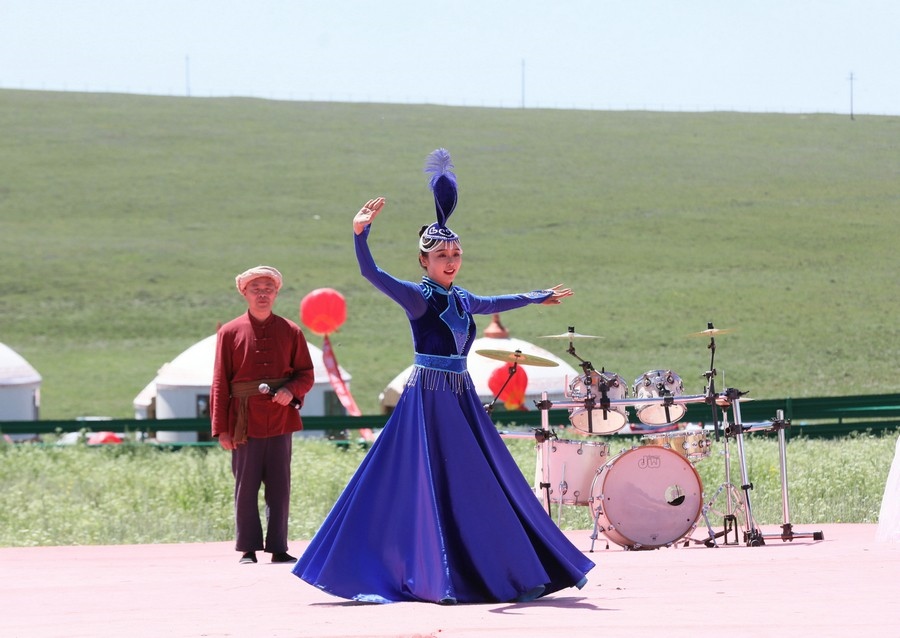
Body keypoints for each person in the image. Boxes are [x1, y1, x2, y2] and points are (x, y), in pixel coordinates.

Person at [292, 149, 595, 604]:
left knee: (485, 479)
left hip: (460, 396)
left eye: (456, 254)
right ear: (424, 261)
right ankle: (425, 573)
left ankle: (507, 568)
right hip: (428, 399)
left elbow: (495, 302)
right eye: (441, 255)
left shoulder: (462, 298)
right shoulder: (418, 297)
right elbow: (370, 272)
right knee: (423, 483)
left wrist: (536, 296)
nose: (450, 260)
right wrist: (360, 233)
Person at [211, 265, 315, 564]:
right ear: (244, 293)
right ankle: (248, 548)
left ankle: (278, 548)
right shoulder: (229, 332)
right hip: (243, 422)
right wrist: (221, 428)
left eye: (268, 289)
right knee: (245, 487)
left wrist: (291, 391)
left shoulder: (291, 331)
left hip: (281, 419)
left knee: (280, 487)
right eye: (256, 289)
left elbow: (306, 374)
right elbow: (219, 382)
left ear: (276, 293)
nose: (262, 295)